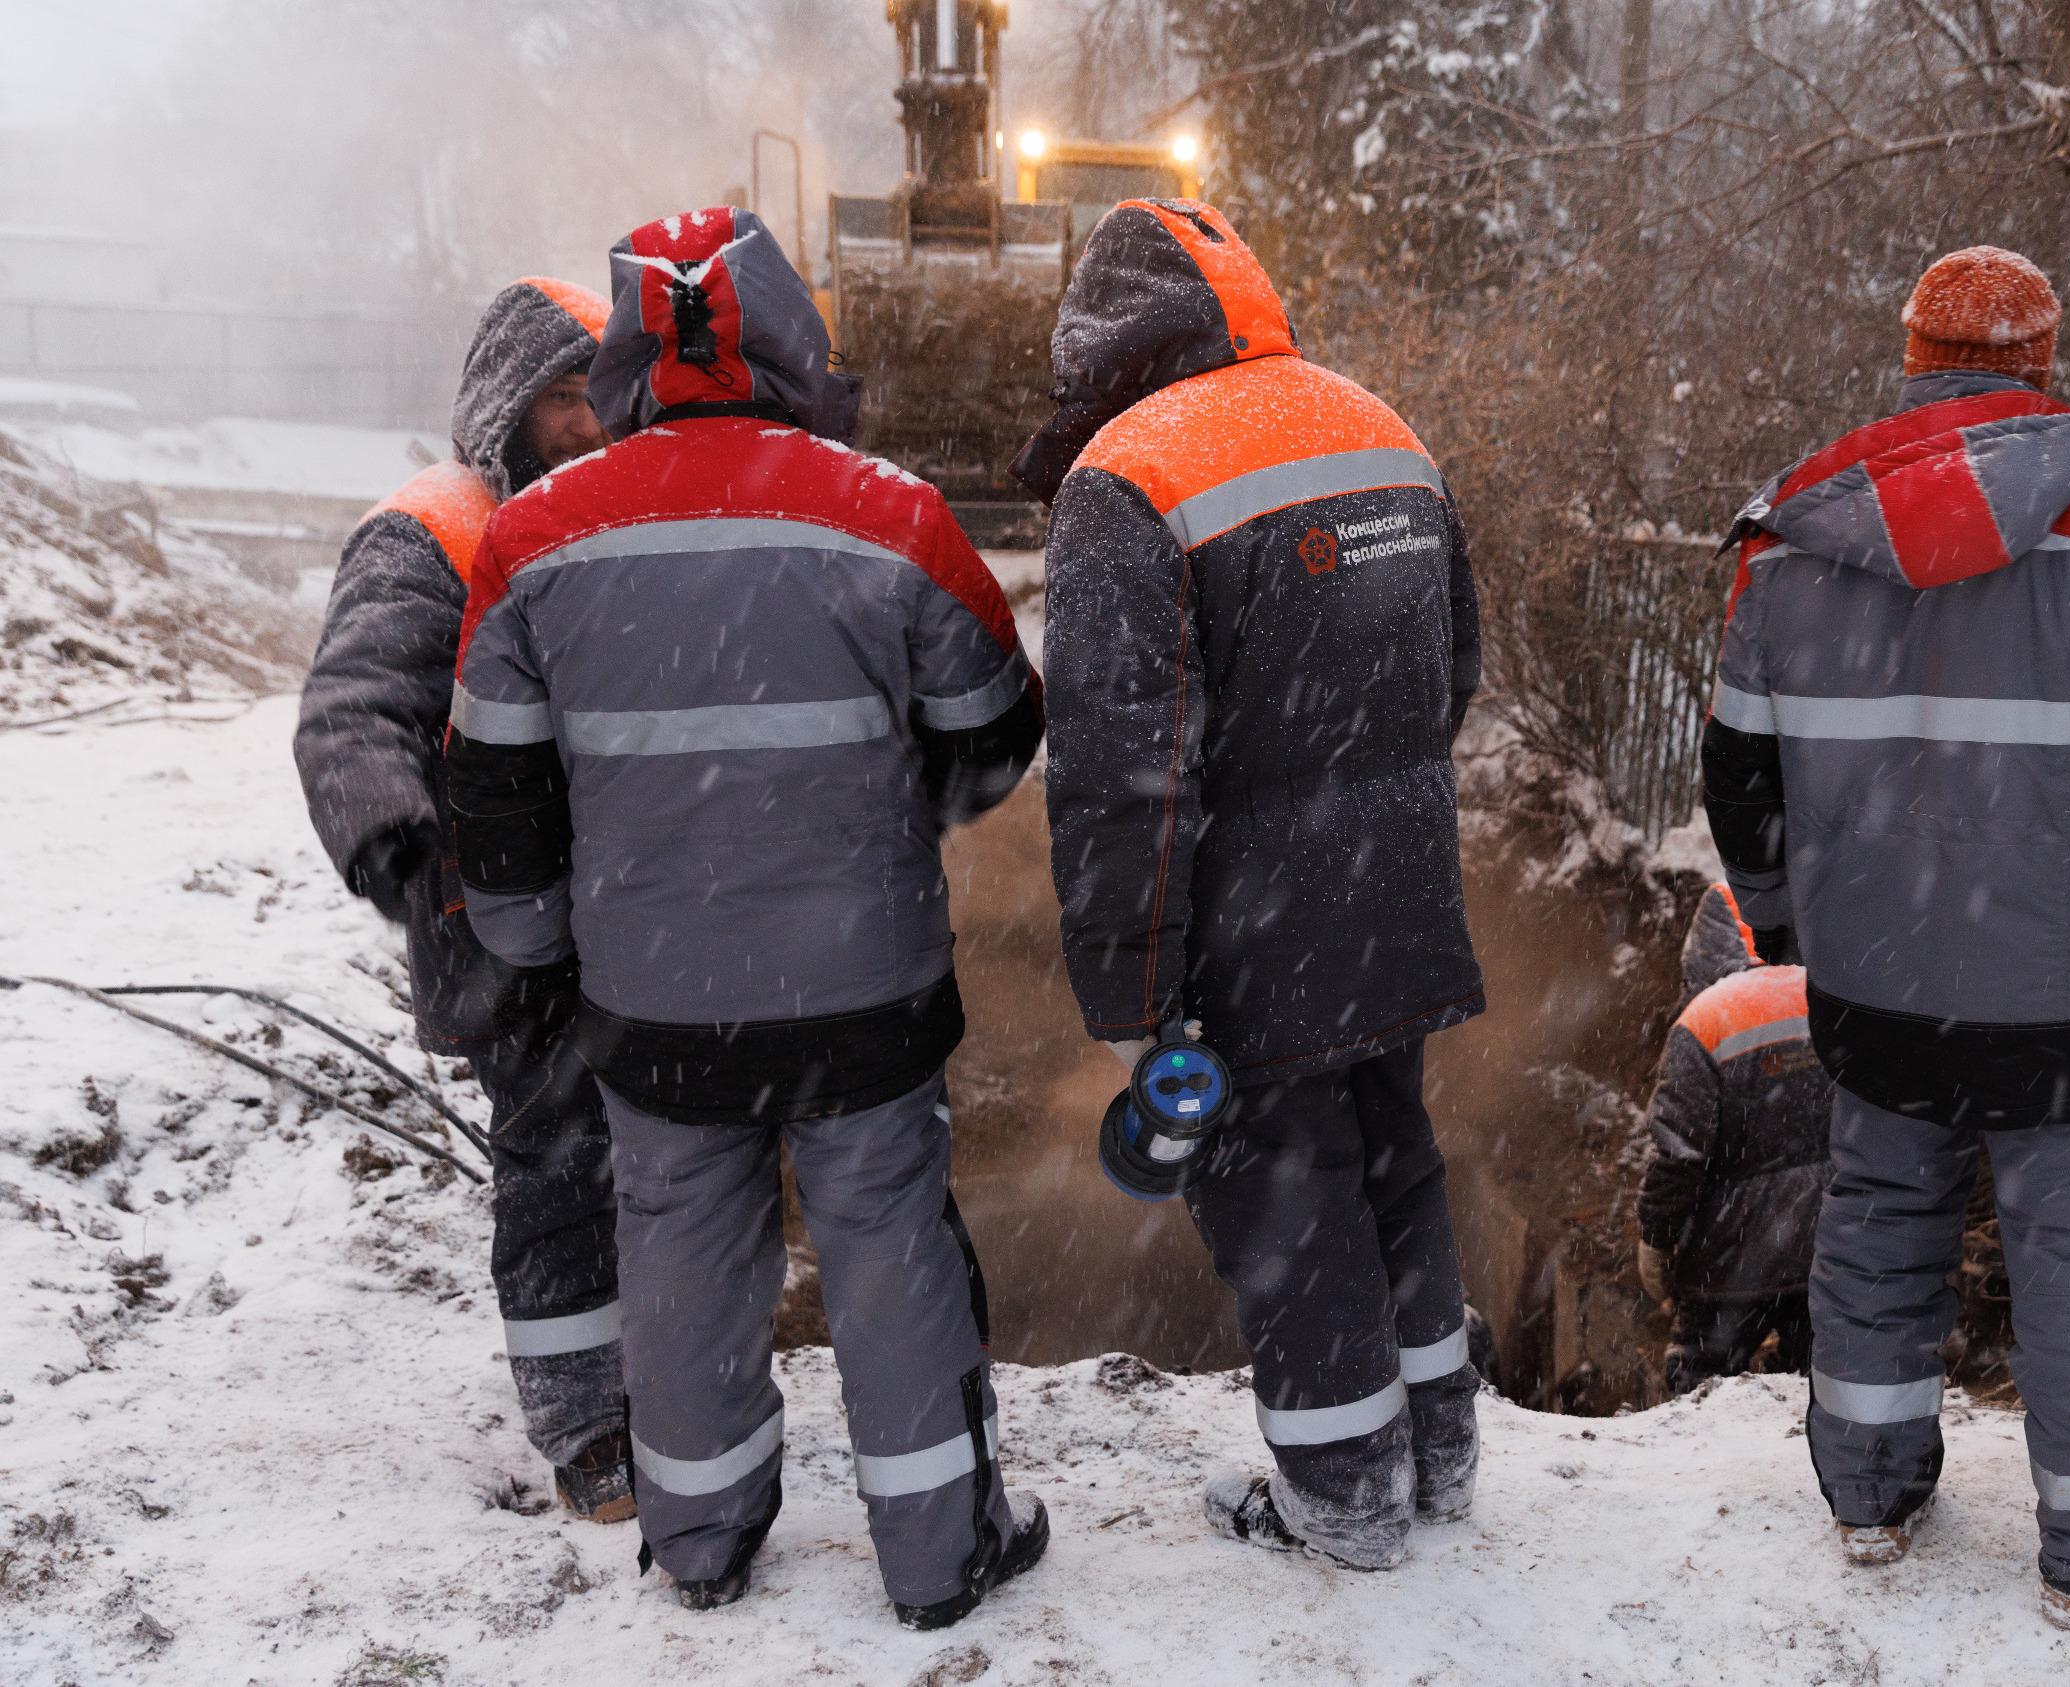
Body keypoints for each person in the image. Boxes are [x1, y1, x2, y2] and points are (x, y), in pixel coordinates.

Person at [446, 207, 1050, 1628]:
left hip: (653, 997)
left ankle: (703, 1535)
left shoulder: (532, 540)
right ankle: (937, 1549)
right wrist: (900, 805)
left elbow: (497, 785)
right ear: (792, 333)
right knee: (888, 1237)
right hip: (866, 985)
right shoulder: (892, 511)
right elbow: (993, 732)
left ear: (624, 352)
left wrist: (535, 946)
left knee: (677, 1242)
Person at [1704, 246, 2070, 1628]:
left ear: (1912, 355)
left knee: (1881, 1217)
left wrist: (1787, 920)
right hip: (2068, 980)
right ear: (2041, 360)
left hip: (1875, 976)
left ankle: (1871, 1493)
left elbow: (1738, 771)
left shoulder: (1789, 539)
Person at [1023, 198, 1484, 1573]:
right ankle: (1440, 1453)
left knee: (1287, 1200)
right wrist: (1365, 806)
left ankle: (1344, 1494)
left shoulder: (1127, 476)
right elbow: (1455, 670)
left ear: (1102, 342)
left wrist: (1131, 990)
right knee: (1394, 1160)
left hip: (1251, 922)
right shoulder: (1375, 423)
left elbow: (1119, 768)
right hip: (1395, 881)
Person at [293, 274, 635, 1522]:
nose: (590, 420)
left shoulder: (608, 519)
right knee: (557, 1160)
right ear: (504, 400)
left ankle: (654, 1375)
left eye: (602, 391)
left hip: (615, 905)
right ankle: (588, 1429)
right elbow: (353, 701)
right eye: (561, 396)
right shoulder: (432, 529)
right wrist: (391, 834)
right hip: (488, 917)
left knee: (646, 1150)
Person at [1636, 884, 1830, 1393]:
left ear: (1705, 946)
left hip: (1731, 1262)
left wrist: (1655, 1238)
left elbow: (1678, 1157)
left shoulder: (1707, 1019)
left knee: (1697, 1397)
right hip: (1832, 1250)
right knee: (1823, 1393)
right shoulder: (1833, 997)